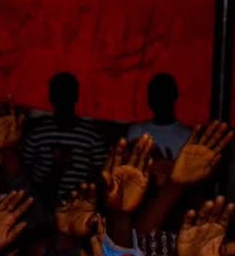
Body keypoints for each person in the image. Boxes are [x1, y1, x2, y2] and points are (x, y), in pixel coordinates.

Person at [20, 73, 108, 203]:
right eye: (59, 95)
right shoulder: (37, 132)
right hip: (41, 203)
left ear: (75, 97)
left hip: (80, 205)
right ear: (51, 98)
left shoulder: (92, 135)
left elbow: (100, 174)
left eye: (67, 95)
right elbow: (24, 171)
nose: (63, 101)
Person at [126, 73, 192, 161]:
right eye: (156, 94)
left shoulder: (188, 137)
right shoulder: (136, 132)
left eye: (164, 93)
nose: (160, 99)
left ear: (174, 96)